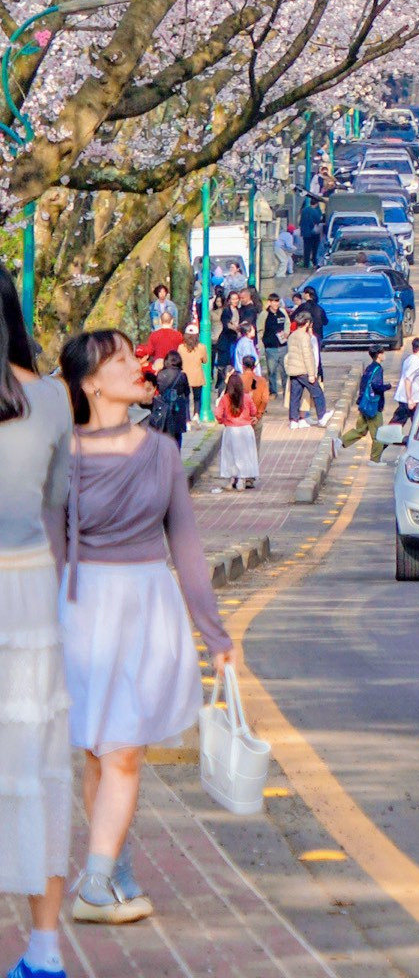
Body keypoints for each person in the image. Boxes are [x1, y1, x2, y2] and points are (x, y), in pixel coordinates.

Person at [59, 328, 232, 929]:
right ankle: (105, 880)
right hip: (82, 610)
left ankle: (105, 875)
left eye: (137, 356)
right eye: (123, 360)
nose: (140, 367)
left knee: (120, 752)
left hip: (146, 607)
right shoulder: (62, 452)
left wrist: (217, 637)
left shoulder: (161, 450)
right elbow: (53, 550)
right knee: (106, 752)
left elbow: (185, 547)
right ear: (89, 382)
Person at [0, 264, 74, 978]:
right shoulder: (51, 400)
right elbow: (56, 508)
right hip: (28, 594)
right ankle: (45, 946)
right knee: (38, 767)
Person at [216, 365, 261, 492]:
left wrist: (223, 421)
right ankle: (242, 480)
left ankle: (230, 480)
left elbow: (218, 414)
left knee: (230, 455)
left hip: (231, 429)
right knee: (245, 455)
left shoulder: (225, 399)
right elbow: (254, 410)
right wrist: (253, 418)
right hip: (246, 429)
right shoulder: (246, 397)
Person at [283, 308, 325, 429]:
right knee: (317, 392)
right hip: (303, 370)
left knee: (295, 395)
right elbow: (308, 356)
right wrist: (312, 374)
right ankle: (322, 416)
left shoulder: (292, 335)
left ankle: (293, 420)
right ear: (307, 323)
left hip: (293, 370)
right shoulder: (305, 337)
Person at [390, 336, 419, 437]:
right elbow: (408, 380)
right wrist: (410, 399)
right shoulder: (416, 362)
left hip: (408, 399)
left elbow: (412, 380)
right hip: (410, 401)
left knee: (418, 424)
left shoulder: (409, 359)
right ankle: (380, 446)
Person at [348, 348, 387, 445]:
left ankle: (340, 441)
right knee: (378, 436)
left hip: (365, 404)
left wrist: (360, 399)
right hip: (374, 405)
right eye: (383, 353)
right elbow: (376, 386)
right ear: (379, 355)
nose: (384, 355)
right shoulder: (378, 369)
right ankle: (375, 460)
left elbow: (363, 384)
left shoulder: (369, 367)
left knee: (360, 430)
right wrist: (388, 386)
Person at [260, 293, 288, 403]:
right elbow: (260, 328)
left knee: (285, 371)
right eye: (274, 301)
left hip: (283, 346)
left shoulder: (282, 313)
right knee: (272, 371)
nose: (276, 304)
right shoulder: (264, 314)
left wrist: (286, 333)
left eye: (277, 301)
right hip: (270, 347)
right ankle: (273, 391)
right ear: (269, 302)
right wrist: (263, 343)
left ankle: (287, 391)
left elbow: (287, 324)